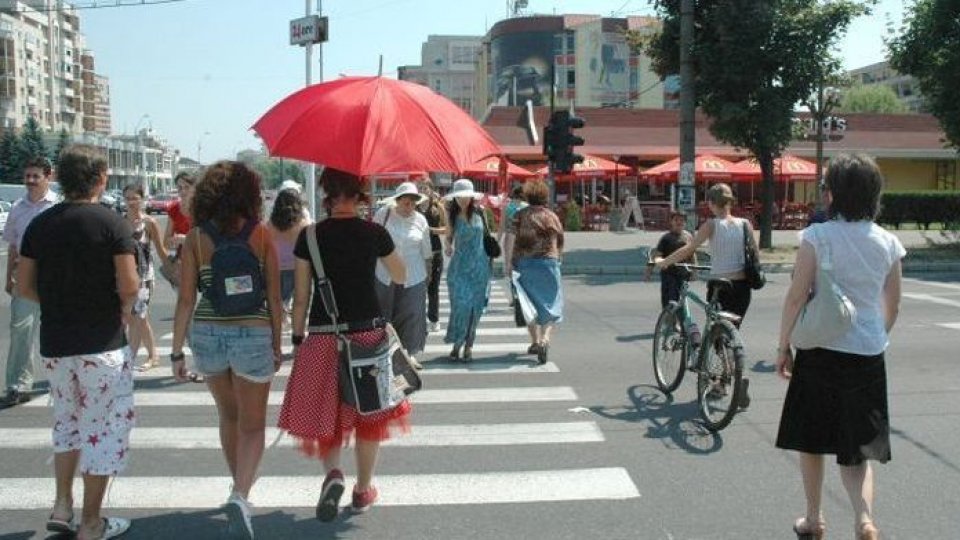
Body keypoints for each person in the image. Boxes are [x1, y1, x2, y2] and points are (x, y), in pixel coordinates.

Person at [775, 154, 904, 540]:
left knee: (811, 440)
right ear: (873, 194)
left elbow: (796, 296)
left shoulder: (817, 236)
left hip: (819, 350)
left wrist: (783, 347)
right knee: (858, 448)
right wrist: (875, 335)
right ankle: (864, 519)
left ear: (832, 193)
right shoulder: (889, 242)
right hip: (867, 353)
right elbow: (893, 304)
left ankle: (814, 520)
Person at [17, 145, 139, 540]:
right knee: (102, 429)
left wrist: (59, 302)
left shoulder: (40, 224)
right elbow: (130, 284)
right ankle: (91, 522)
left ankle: (62, 505)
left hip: (55, 343)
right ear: (101, 179)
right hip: (101, 342)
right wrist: (120, 305)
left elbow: (23, 286)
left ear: (61, 179)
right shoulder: (111, 223)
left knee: (66, 423)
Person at [278, 167, 408, 522]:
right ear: (361, 194)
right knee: (370, 417)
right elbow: (401, 275)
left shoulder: (311, 236)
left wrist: (297, 338)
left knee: (328, 414)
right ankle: (363, 490)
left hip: (322, 337)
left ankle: (333, 474)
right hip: (367, 333)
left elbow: (301, 297)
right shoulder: (374, 232)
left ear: (326, 194)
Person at [170, 161, 283, 540]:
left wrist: (175, 353)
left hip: (207, 332)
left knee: (228, 416)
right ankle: (241, 494)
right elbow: (274, 297)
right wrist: (278, 343)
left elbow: (186, 299)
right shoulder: (262, 235)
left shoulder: (196, 237)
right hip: (253, 333)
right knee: (253, 425)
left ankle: (239, 489)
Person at [656, 183, 757, 326]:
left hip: (720, 287)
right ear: (730, 202)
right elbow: (754, 254)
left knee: (715, 331)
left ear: (711, 203)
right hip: (743, 287)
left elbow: (689, 249)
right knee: (731, 332)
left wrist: (665, 261)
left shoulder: (711, 225)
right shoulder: (746, 224)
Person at [1, 156, 58, 407]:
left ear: (49, 177)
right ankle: (17, 385)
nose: (31, 181)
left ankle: (61, 381)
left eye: (36, 176)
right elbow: (14, 245)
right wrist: (8, 278)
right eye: (28, 176)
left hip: (54, 276)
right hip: (24, 274)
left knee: (56, 331)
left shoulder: (59, 207)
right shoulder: (17, 208)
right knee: (21, 330)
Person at [373, 182, 432, 369]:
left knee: (412, 314)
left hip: (414, 275)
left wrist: (428, 276)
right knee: (384, 315)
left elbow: (427, 252)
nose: (409, 207)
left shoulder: (421, 220)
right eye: (405, 202)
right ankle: (383, 353)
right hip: (384, 273)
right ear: (397, 201)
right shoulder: (383, 215)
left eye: (413, 203)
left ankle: (409, 353)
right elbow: (372, 244)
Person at [511, 179, 564, 365]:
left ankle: (534, 341)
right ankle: (545, 339)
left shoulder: (519, 215)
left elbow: (512, 240)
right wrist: (557, 258)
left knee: (528, 305)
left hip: (525, 263)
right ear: (544, 196)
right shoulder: (551, 216)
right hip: (548, 262)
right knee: (551, 303)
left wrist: (510, 262)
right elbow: (559, 239)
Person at [442, 179, 492, 362]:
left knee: (474, 310)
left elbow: (487, 235)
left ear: (472, 197)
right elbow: (448, 237)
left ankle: (468, 346)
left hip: (479, 266)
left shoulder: (481, 212)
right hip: (459, 268)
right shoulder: (451, 215)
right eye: (459, 197)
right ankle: (457, 343)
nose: (463, 200)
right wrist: (447, 246)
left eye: (466, 197)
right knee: (461, 307)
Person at [122, 183, 169, 371]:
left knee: (138, 315)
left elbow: (161, 250)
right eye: (128, 198)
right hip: (126, 278)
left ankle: (131, 358)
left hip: (145, 278)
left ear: (142, 199)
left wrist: (175, 267)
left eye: (135, 197)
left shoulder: (149, 223)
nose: (132, 202)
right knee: (138, 318)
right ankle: (153, 355)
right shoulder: (119, 223)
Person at [267, 188, 311, 316]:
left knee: (278, 300)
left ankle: (281, 322)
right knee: (299, 301)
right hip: (298, 267)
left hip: (275, 267)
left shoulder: (270, 225)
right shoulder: (303, 224)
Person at [646, 211, 698, 309]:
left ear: (685, 223)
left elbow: (692, 255)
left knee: (682, 302)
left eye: (682, 220)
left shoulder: (688, 237)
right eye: (676, 220)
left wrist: (695, 271)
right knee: (670, 303)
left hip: (683, 274)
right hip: (669, 275)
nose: (679, 222)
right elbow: (657, 256)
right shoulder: (666, 238)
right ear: (671, 222)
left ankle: (682, 322)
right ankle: (668, 321)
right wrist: (649, 271)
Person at [417, 179, 448, 333]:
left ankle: (434, 319)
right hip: (418, 254)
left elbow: (447, 229)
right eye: (420, 188)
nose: (423, 190)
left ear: (430, 190)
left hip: (435, 252)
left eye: (425, 188)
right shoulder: (414, 208)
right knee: (418, 288)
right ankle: (419, 319)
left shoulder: (437, 207)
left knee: (433, 288)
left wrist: (430, 230)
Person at [499, 185, 528, 295]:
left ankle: (514, 294)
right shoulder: (526, 207)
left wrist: (497, 241)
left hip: (509, 238)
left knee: (510, 266)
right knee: (523, 266)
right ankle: (522, 293)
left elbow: (501, 226)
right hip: (524, 239)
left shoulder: (507, 207)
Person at [163, 171, 195, 265]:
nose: (183, 191)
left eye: (187, 187)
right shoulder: (174, 209)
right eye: (180, 188)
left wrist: (186, 240)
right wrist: (174, 241)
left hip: (201, 260)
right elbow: (165, 242)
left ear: (194, 188)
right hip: (183, 262)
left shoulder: (202, 209)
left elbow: (209, 239)